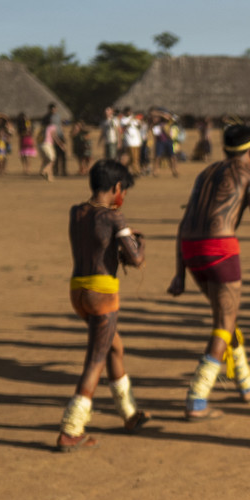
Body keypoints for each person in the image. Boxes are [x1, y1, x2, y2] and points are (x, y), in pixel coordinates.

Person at [167, 123, 250, 419]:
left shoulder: (204, 174)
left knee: (226, 318)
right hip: (220, 250)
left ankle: (246, 383)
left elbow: (184, 224)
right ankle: (197, 397)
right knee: (224, 323)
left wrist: (180, 272)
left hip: (190, 249)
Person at [57, 159, 149, 450]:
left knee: (114, 348)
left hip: (78, 291)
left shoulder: (76, 211)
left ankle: (129, 412)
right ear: (117, 187)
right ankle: (71, 429)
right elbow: (135, 258)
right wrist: (139, 242)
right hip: (102, 294)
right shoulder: (114, 218)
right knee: (95, 359)